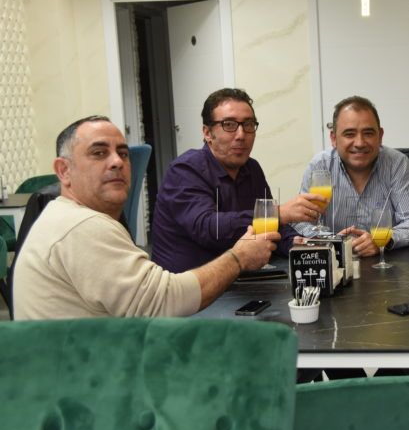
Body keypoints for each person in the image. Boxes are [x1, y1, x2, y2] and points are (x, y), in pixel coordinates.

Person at [13, 116, 279, 319]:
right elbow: (165, 302)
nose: (117, 162)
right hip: (87, 376)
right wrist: (239, 257)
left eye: (123, 153)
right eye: (99, 153)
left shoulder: (71, 217)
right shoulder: (81, 226)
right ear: (64, 171)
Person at [150, 88, 325, 273]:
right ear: (207, 133)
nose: (241, 135)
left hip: (237, 279)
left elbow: (270, 227)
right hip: (188, 284)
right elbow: (209, 228)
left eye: (248, 124)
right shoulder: (185, 170)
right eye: (229, 124)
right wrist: (278, 213)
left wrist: (297, 242)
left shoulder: (252, 169)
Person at [292, 95, 409, 256]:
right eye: (349, 134)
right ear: (334, 138)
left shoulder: (397, 164)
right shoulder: (319, 166)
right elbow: (300, 222)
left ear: (380, 136)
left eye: (368, 133)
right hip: (335, 262)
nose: (359, 143)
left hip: (387, 262)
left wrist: (382, 240)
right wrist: (334, 241)